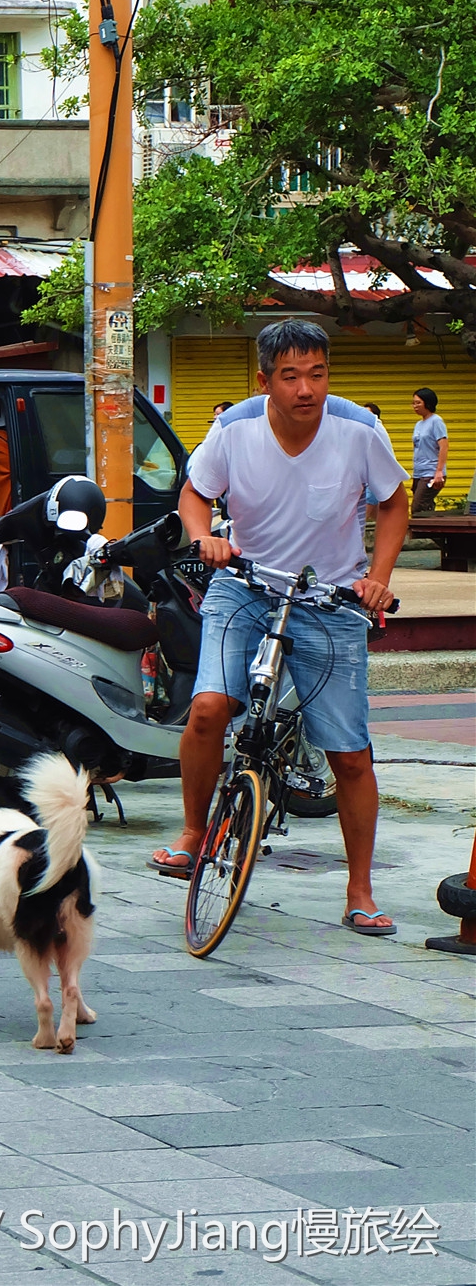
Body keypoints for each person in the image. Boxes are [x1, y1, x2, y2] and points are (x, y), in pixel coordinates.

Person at [151, 320, 407, 936]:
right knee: (209, 708)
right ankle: (193, 833)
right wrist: (205, 537)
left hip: (330, 598)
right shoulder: (233, 427)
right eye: (290, 376)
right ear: (265, 380)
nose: (306, 389)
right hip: (245, 585)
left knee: (349, 753)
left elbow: (394, 501)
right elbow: (195, 494)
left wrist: (377, 577)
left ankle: (360, 889)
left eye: (317, 374)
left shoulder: (359, 429)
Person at [411, 388, 449, 518]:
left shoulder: (436, 421)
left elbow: (444, 446)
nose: (415, 406)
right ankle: (433, 529)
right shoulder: (419, 424)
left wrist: (439, 471)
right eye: (413, 403)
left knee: (418, 507)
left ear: (428, 403)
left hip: (431, 472)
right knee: (426, 507)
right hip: (419, 472)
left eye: (418, 403)